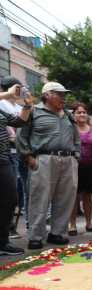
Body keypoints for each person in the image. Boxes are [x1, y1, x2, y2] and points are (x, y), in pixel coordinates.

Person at [16, 82, 80, 250]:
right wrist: (28, 157)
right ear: (47, 95)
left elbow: (76, 136)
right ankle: (36, 236)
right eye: (59, 94)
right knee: (39, 198)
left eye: (64, 94)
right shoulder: (33, 111)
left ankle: (57, 233)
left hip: (68, 160)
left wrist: (76, 156)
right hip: (43, 159)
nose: (63, 97)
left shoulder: (67, 114)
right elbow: (21, 135)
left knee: (65, 199)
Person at [0, 80, 33, 255]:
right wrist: (8, 94)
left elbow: (19, 122)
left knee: (10, 199)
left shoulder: (1, 109)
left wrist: (27, 106)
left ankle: (3, 242)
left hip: (4, 159)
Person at [68, 102, 92, 235]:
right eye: (78, 112)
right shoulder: (70, 128)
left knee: (88, 196)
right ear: (74, 114)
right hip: (74, 166)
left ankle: (89, 223)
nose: (82, 114)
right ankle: (72, 225)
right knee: (73, 197)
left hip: (91, 167)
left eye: (84, 112)